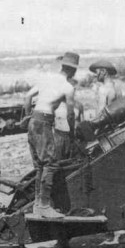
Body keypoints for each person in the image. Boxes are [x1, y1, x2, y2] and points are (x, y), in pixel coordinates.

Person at [23, 51, 78, 218]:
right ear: (73, 71)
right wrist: (72, 133)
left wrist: (27, 116)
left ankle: (38, 205)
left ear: (62, 66)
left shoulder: (47, 78)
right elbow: (70, 114)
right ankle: (45, 205)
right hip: (44, 122)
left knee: (40, 164)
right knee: (51, 163)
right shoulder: (68, 87)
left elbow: (27, 96)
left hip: (34, 120)